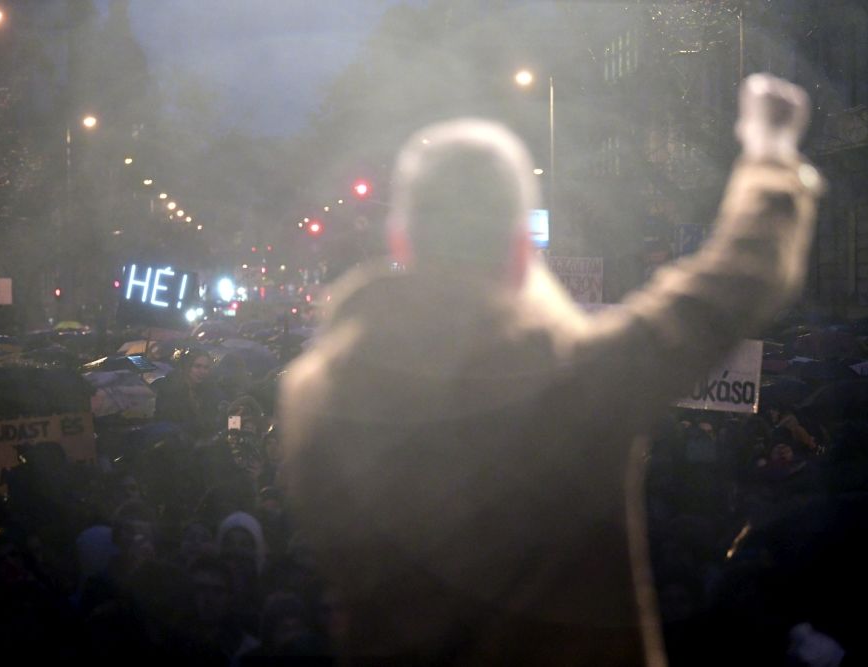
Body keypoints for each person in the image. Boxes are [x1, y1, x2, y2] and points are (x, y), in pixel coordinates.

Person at [278, 73, 823, 665]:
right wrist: (771, 156)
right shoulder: (577, 385)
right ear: (521, 252)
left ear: (401, 243)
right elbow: (733, 284)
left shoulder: (313, 396)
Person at [154, 348, 227, 440]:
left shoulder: (208, 389)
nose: (202, 371)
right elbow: (169, 421)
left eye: (206, 367)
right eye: (197, 366)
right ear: (187, 367)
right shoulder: (171, 389)